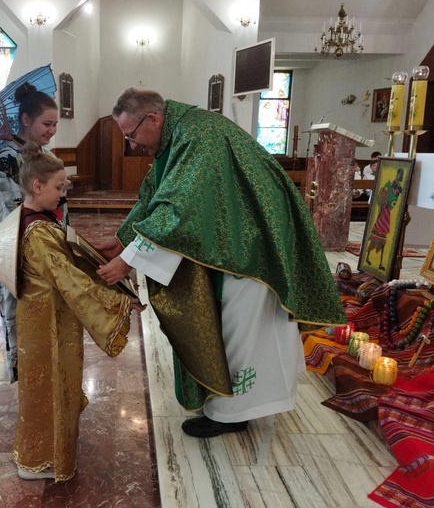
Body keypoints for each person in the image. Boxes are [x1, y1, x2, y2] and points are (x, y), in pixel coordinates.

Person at [96, 87, 346, 438]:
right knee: (243, 326)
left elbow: (179, 209)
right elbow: (157, 193)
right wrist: (125, 239)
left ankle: (234, 412)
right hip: (236, 239)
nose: (132, 145)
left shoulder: (197, 135)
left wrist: (129, 260)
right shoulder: (182, 133)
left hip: (250, 249)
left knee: (243, 328)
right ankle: (241, 404)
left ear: (152, 118)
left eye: (131, 135)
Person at [11, 142, 143, 482]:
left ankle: (42, 451)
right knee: (48, 384)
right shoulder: (38, 231)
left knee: (48, 385)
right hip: (46, 323)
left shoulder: (32, 218)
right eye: (59, 187)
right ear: (37, 187)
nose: (62, 194)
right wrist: (116, 300)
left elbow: (69, 263)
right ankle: (40, 457)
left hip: (44, 315)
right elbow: (69, 281)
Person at [0, 81, 61, 383]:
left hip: (46, 246)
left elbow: (60, 203)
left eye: (55, 124)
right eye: (46, 123)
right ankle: (29, 388)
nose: (52, 130)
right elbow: (12, 212)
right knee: (20, 321)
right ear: (26, 119)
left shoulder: (43, 155)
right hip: (16, 253)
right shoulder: (5, 158)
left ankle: (45, 379)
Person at [364, 168, 404, 271]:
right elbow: (381, 198)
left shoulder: (398, 187)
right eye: (399, 175)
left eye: (401, 175)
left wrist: (398, 191)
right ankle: (367, 258)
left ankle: (381, 262)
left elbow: (396, 198)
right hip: (382, 213)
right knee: (374, 238)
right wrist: (387, 193)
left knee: (383, 241)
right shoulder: (389, 184)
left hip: (388, 214)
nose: (399, 177)